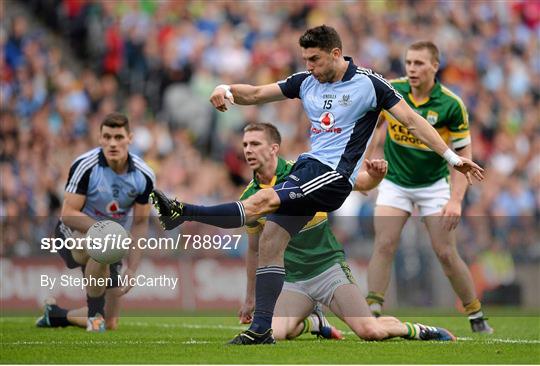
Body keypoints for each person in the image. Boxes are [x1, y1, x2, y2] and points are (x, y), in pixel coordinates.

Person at [151, 25, 483, 345]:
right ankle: (261, 330)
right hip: (309, 167)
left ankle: (183, 212)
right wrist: (226, 89)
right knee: (270, 239)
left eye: (315, 60)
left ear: (336, 53)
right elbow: (254, 93)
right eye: (305, 59)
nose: (308, 67)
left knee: (264, 203)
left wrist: (452, 159)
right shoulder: (306, 81)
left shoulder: (370, 84)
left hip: (335, 176)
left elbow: (411, 119)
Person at [237, 122, 456, 343]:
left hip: (327, 271)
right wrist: (250, 298)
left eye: (255, 144)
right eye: (245, 144)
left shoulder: (303, 172)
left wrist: (375, 177)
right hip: (292, 281)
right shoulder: (249, 197)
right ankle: (313, 322)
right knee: (272, 333)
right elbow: (255, 250)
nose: (248, 150)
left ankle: (416, 329)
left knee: (371, 331)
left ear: (274, 148)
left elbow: (361, 183)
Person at [365, 41, 493, 334]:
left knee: (445, 252)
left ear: (435, 66)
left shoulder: (451, 105)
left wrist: (456, 201)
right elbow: (378, 126)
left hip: (434, 185)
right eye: (409, 62)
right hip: (396, 182)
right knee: (384, 244)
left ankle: (476, 314)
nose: (411, 68)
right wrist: (371, 158)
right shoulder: (392, 90)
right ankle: (372, 312)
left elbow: (464, 159)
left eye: (419, 63)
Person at [36, 112, 155, 332]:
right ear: (99, 139)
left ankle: (58, 316)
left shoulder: (144, 175)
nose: (112, 143)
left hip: (112, 240)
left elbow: (139, 223)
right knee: (105, 244)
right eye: (107, 137)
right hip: (72, 235)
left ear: (130, 138)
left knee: (109, 323)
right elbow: (68, 213)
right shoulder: (85, 166)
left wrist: (132, 269)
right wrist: (106, 231)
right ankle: (94, 315)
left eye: (118, 137)